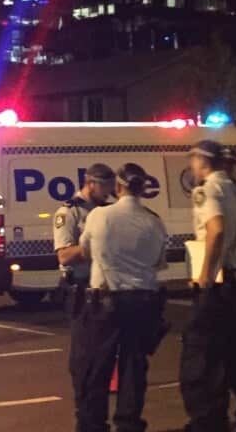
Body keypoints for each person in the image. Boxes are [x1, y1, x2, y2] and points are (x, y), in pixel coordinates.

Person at [179, 141, 236, 432]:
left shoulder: (207, 190)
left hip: (220, 284)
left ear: (202, 161)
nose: (192, 168)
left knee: (203, 357)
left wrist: (206, 272)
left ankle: (209, 422)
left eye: (193, 161)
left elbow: (215, 229)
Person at [72, 163, 168, 432]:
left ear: (118, 187)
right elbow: (159, 263)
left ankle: (93, 425)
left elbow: (86, 250)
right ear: (142, 189)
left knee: (97, 368)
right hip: (143, 302)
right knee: (134, 368)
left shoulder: (100, 216)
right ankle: (129, 423)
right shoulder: (154, 221)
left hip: (105, 302)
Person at [54, 163, 115, 318]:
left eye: (111, 186)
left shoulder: (106, 210)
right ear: (91, 184)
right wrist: (97, 244)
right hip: (80, 286)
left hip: (104, 285)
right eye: (105, 186)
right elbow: (64, 256)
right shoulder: (69, 212)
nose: (109, 192)